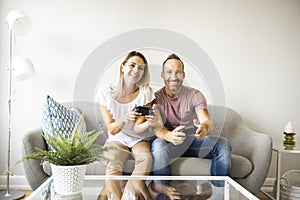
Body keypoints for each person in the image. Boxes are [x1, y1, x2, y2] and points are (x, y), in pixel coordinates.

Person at [150, 54, 232, 199]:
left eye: (178, 72)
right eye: (169, 72)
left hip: (193, 141)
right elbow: (157, 129)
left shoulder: (196, 95)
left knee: (223, 144)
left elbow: (206, 120)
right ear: (162, 75)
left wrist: (204, 128)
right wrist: (170, 136)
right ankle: (163, 194)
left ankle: (219, 194)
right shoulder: (156, 98)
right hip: (169, 143)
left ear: (183, 75)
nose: (174, 76)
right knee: (158, 145)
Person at [97, 51, 156, 200]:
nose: (136, 70)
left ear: (143, 73)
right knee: (113, 164)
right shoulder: (105, 92)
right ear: (123, 67)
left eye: (141, 68)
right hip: (117, 138)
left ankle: (128, 196)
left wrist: (148, 122)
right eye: (132, 65)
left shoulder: (146, 92)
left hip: (139, 138)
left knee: (146, 159)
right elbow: (112, 128)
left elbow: (138, 128)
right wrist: (124, 119)